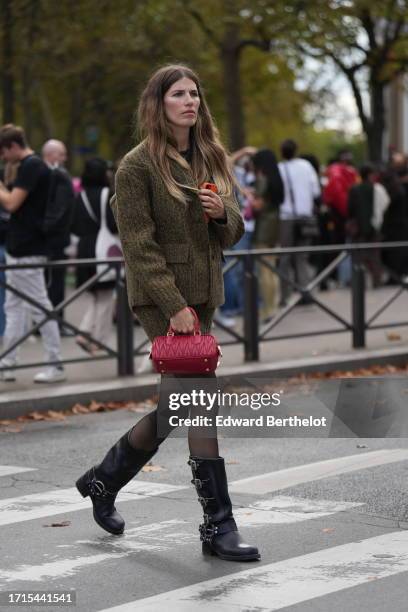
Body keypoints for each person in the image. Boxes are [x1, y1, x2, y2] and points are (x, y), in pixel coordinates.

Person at [75, 64, 260, 562]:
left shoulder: (211, 156)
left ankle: (102, 480)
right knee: (199, 401)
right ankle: (219, 525)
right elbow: (137, 244)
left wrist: (222, 213)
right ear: (158, 103)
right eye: (179, 94)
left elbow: (235, 228)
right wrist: (173, 306)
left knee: (179, 404)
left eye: (195, 93)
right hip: (164, 301)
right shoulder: (137, 166)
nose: (190, 101)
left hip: (204, 295)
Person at [0, 124, 65, 383]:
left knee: (40, 307)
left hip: (29, 247)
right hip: (21, 247)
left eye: (4, 153)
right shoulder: (30, 165)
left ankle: (56, 364)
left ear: (13, 147)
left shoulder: (32, 166)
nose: (4, 158)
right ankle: (9, 360)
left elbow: (12, 202)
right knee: (14, 307)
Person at [71, 158, 117, 354]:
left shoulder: (79, 197)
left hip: (84, 249)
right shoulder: (107, 194)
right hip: (103, 250)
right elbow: (114, 225)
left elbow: (73, 225)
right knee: (106, 296)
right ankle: (99, 341)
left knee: (96, 296)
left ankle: (85, 334)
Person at [278, 139, 321, 305]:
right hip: (305, 217)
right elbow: (316, 191)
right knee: (302, 257)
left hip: (286, 217)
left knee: (285, 258)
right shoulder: (306, 166)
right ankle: (305, 293)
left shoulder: (280, 169)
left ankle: (285, 297)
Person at [41, 139, 75, 332]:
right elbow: (59, 209)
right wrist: (47, 229)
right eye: (61, 154)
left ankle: (48, 323)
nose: (65, 158)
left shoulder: (49, 174)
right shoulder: (58, 175)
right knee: (53, 283)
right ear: (51, 155)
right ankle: (55, 323)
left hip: (50, 238)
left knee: (47, 282)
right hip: (54, 239)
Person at [252, 148, 284, 321]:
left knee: (264, 270)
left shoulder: (263, 179)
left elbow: (258, 205)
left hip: (264, 227)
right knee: (272, 269)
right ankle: (275, 305)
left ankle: (269, 308)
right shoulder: (277, 179)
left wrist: (247, 195)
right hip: (275, 225)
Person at [346, 164, 390, 287]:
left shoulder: (354, 189)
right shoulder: (377, 189)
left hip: (358, 228)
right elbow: (385, 203)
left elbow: (350, 209)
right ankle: (377, 280)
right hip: (374, 226)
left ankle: (358, 283)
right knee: (375, 255)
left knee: (358, 256)